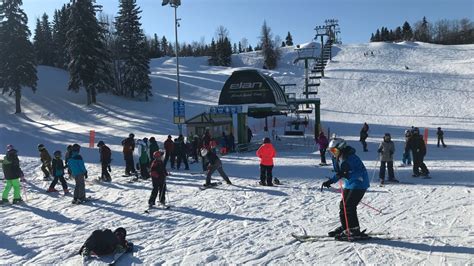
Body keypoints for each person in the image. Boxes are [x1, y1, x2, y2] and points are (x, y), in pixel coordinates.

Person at [321, 138, 370, 240]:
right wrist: (331, 181)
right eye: (331, 151)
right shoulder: (337, 158)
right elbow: (340, 174)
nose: (333, 153)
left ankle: (354, 230)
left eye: (334, 151)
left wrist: (348, 174)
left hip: (359, 183)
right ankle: (346, 227)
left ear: (341, 148)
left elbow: (360, 171)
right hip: (349, 184)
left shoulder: (352, 158)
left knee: (349, 206)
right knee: (342, 205)